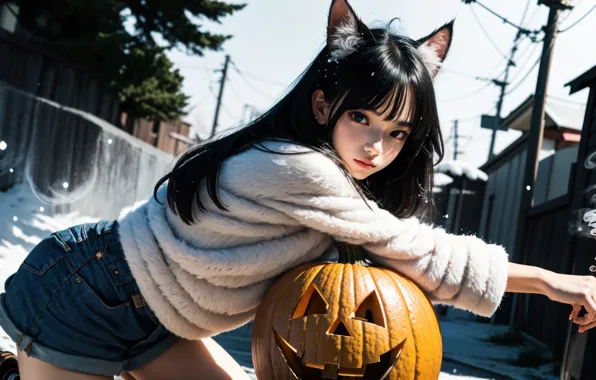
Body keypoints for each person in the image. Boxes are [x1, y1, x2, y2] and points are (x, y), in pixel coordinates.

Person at [1, 0, 595, 378]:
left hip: (156, 321)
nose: (375, 147)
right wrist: (553, 280)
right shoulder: (297, 167)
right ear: (322, 105)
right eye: (361, 119)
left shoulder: (334, 190)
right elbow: (420, 251)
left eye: (395, 132)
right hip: (81, 292)